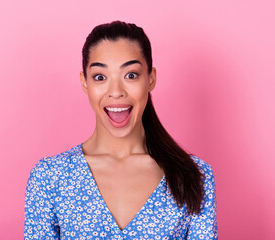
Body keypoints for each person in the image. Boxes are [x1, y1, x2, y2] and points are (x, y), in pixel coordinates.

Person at [24, 20, 218, 239]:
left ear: (151, 78)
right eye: (100, 77)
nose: (116, 91)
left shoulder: (194, 176)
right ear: (85, 82)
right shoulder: (50, 178)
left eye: (131, 75)